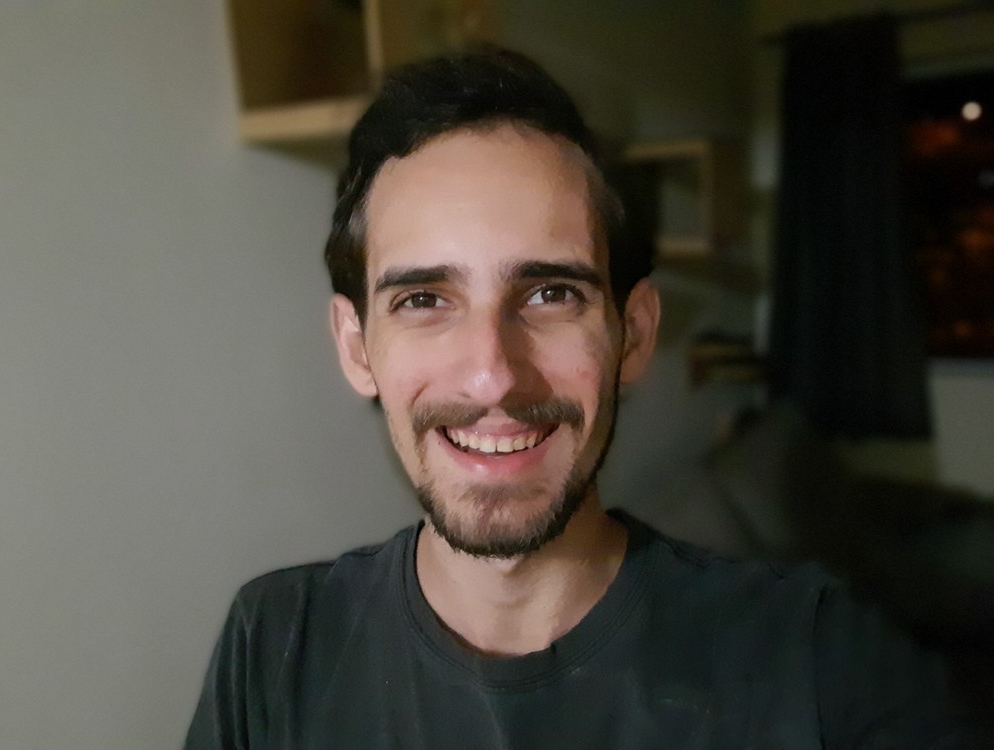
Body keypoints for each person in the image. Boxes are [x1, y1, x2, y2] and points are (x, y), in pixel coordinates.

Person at [185, 49, 975, 748]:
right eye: (424, 300)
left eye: (550, 293)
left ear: (633, 334)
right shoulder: (274, 646)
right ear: (358, 348)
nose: (493, 377)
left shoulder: (818, 657)